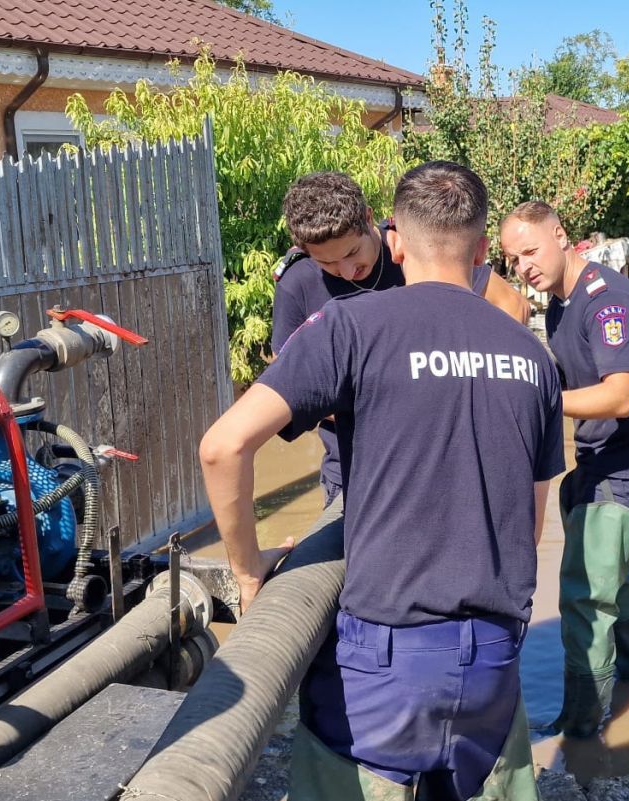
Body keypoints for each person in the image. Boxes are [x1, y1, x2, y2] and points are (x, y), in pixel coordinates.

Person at [200, 162, 564, 800]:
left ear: (394, 238)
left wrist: (249, 570)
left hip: (386, 650)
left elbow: (223, 446)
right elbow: (527, 525)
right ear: (483, 250)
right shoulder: (534, 358)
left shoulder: (349, 328)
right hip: (495, 651)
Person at [500, 200, 629, 739]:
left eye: (530, 251)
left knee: (583, 594)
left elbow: (620, 396)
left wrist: (539, 397)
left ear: (561, 235)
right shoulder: (559, 305)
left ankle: (581, 728)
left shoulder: (609, 302)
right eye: (512, 260)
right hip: (595, 465)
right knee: (609, 583)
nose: (523, 266)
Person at [273, 171, 530, 509]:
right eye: (328, 263)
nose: (347, 272)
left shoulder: (413, 250)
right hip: (353, 470)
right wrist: (378, 406)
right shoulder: (297, 283)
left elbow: (513, 304)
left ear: (368, 219)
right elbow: (287, 385)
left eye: (352, 253)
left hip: (446, 461)